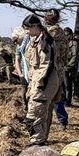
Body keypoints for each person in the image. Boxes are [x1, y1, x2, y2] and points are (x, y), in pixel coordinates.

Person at [22, 14, 60, 146]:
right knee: (37, 114)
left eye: (28, 28)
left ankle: (38, 141)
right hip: (36, 81)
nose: (26, 32)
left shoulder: (45, 41)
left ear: (35, 26)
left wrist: (39, 85)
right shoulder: (33, 41)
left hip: (44, 82)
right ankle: (38, 141)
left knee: (34, 115)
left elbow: (46, 66)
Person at [45, 11, 71, 128]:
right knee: (57, 97)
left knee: (46, 99)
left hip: (47, 71)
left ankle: (44, 126)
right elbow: (66, 55)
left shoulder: (45, 33)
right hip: (59, 70)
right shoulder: (62, 34)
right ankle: (62, 120)